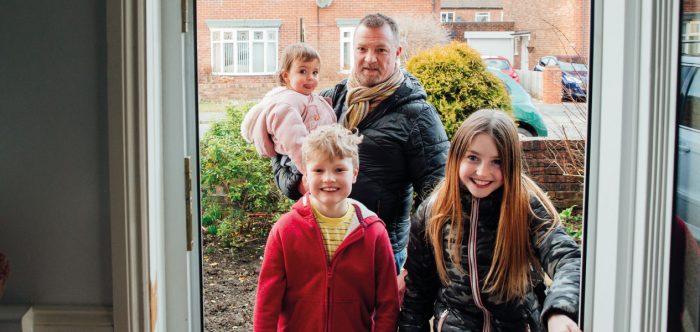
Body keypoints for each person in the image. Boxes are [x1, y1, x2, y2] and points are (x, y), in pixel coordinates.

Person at [272, 13, 449, 275]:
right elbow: (280, 157)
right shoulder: (326, 101)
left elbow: (439, 200)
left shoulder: (418, 116)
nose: (370, 58)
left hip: (380, 253)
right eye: (362, 49)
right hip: (320, 245)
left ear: (397, 52)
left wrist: (415, 267)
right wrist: (298, 183)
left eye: (380, 50)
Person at [398, 109, 582, 332]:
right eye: (473, 157)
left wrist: (559, 311)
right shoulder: (433, 212)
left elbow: (568, 260)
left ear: (512, 165)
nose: (483, 172)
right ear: (456, 157)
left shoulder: (526, 207)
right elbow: (417, 296)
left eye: (497, 161)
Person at [254, 124, 399, 331]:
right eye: (318, 170)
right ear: (305, 175)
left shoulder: (374, 232)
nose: (329, 178)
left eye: (339, 169)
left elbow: (388, 303)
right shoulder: (285, 230)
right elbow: (267, 301)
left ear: (354, 173)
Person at [241, 42, 336, 178]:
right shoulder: (286, 104)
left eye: (315, 72)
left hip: (315, 158)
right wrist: (313, 173)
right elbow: (295, 142)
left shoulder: (307, 97)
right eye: (303, 71)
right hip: (299, 161)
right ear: (286, 76)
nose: (310, 77)